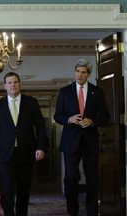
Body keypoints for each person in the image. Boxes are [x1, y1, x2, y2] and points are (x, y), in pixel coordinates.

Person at [54, 59, 110, 216]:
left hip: (90, 141)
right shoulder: (65, 91)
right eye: (77, 71)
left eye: (83, 72)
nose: (80, 74)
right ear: (74, 73)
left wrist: (92, 121)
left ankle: (92, 212)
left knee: (92, 179)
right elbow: (57, 115)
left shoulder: (97, 92)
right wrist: (69, 119)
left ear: (89, 74)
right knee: (71, 177)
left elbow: (105, 116)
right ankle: (73, 211)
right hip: (70, 141)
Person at [0, 71, 47, 216]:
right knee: (6, 190)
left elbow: (40, 127)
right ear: (5, 86)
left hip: (25, 154)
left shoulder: (31, 103)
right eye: (9, 83)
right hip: (4, 155)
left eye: (15, 82)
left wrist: (41, 147)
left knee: (23, 190)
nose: (12, 85)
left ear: (19, 84)